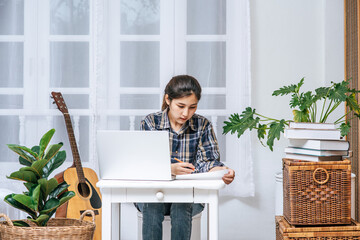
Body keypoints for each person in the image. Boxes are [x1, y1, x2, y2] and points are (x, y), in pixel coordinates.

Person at [135, 75, 235, 240]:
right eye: (180, 106)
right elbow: (143, 164)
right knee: (152, 203)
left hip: (190, 196)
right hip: (153, 195)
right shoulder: (151, 122)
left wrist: (220, 171)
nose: (185, 113)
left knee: (182, 203)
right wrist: (170, 170)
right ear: (168, 99)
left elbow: (208, 162)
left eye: (192, 107)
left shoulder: (203, 125)